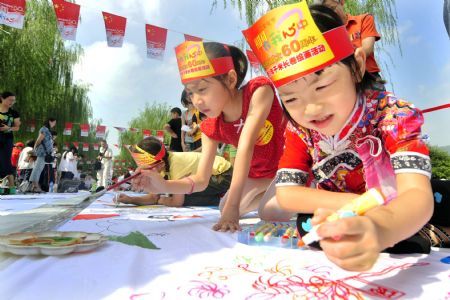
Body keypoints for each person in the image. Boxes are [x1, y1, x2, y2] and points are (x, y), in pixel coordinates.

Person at [244, 2, 443, 271]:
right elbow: (287, 194)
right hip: (346, 209)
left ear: (358, 65)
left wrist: (379, 226)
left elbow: (415, 195)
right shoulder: (300, 130)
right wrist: (360, 205)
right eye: (290, 98)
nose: (310, 109)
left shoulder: (393, 115)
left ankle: (403, 234)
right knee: (309, 225)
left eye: (323, 85)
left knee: (436, 200)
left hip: (401, 207)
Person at [133, 40, 288, 232]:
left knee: (268, 212)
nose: (197, 101)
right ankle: (280, 195)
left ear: (231, 80)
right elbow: (200, 180)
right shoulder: (210, 129)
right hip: (260, 176)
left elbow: (246, 145)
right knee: (225, 207)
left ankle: (303, 191)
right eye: (191, 93)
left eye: (203, 89)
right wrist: (162, 185)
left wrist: (233, 207)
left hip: (288, 166)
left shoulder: (259, 91)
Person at [118, 136, 232, 207]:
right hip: (210, 176)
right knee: (176, 191)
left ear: (160, 164)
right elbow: (153, 197)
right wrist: (130, 199)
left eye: (144, 167)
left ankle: (223, 198)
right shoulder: (160, 166)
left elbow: (177, 202)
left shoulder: (176, 164)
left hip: (224, 173)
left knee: (184, 195)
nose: (142, 171)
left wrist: (163, 200)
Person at [315, 0, 385, 90]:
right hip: (344, 84)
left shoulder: (364, 19)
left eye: (332, 8)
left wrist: (348, 60)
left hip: (369, 78)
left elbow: (367, 48)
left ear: (342, 2)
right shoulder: (325, 35)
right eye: (326, 12)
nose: (331, 14)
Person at [29, 118, 56, 193]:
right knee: (38, 168)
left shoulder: (47, 130)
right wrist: (35, 148)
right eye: (54, 122)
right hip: (42, 152)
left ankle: (34, 186)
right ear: (50, 121)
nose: (54, 124)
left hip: (45, 153)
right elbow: (39, 139)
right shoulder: (44, 129)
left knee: (39, 168)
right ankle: (35, 186)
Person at [0, 91, 20, 189]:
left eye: (13, 101)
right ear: (2, 98)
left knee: (6, 160)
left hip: (7, 139)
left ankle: (12, 186)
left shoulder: (14, 113)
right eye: (10, 100)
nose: (11, 102)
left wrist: (8, 128)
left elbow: (17, 127)